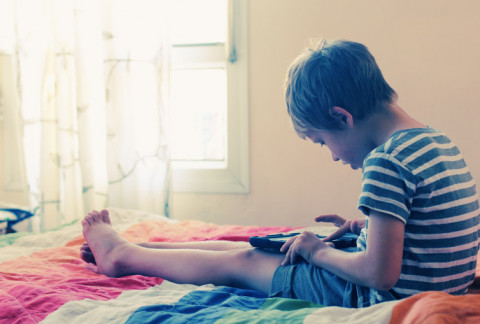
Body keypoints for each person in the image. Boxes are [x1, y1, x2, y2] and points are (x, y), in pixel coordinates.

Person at [80, 39, 480, 308]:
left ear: (341, 117)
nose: (333, 156)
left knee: (244, 261)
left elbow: (378, 273)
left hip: (381, 297)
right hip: (429, 285)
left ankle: (120, 255)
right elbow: (431, 226)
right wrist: (368, 225)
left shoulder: (385, 161)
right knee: (265, 248)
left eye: (322, 142)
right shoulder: (433, 140)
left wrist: (318, 251)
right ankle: (139, 248)